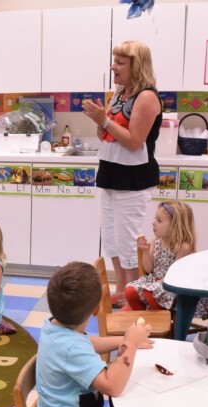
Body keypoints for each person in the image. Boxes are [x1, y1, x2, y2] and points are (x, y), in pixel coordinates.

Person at [37, 261, 153, 407]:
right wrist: (130, 343)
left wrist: (122, 341)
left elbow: (86, 344)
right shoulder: (71, 347)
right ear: (97, 309)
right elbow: (113, 386)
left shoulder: (54, 326)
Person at [82, 40, 162, 308]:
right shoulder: (119, 94)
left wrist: (103, 120)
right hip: (110, 173)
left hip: (133, 179)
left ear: (136, 66)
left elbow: (134, 141)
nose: (113, 66)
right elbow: (106, 132)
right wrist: (101, 122)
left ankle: (134, 295)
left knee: (128, 240)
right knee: (113, 238)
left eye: (119, 62)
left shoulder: (147, 97)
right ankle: (121, 287)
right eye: (114, 60)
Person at [123, 200, 208, 319]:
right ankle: (146, 319)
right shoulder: (156, 240)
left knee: (149, 292)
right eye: (155, 218)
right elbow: (148, 268)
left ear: (175, 226)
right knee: (130, 291)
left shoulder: (184, 247)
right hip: (156, 283)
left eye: (159, 220)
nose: (153, 223)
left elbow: (176, 275)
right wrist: (145, 251)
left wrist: (158, 283)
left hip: (173, 287)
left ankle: (158, 320)